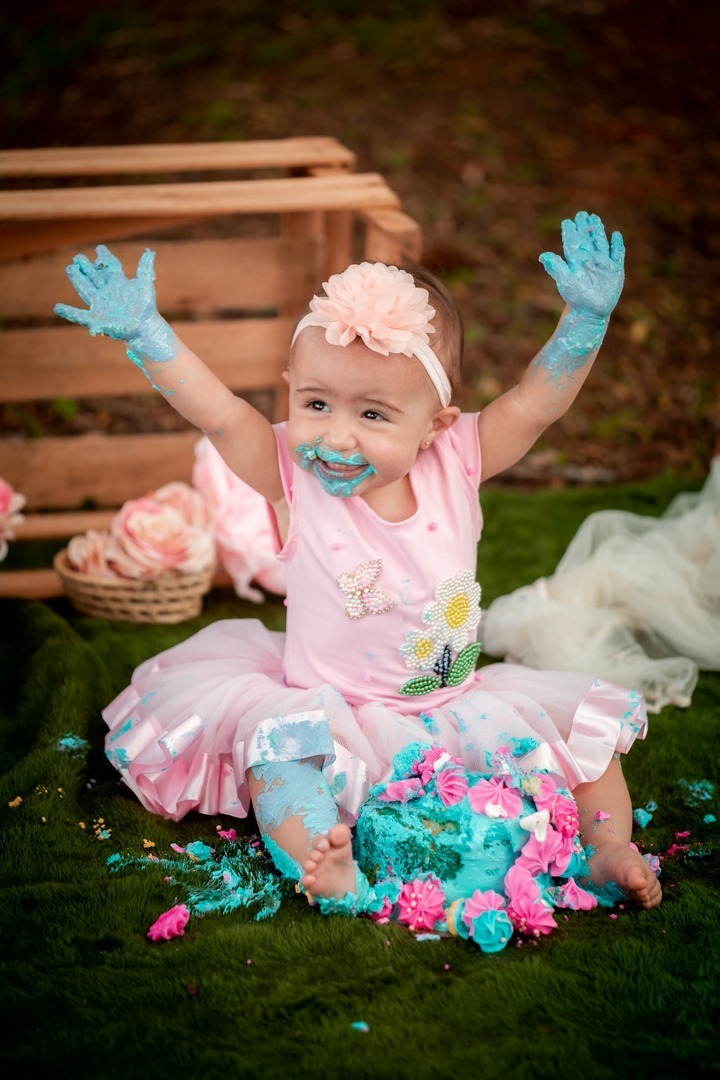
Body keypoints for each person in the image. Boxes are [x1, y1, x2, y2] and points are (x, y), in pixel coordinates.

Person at [55, 211, 662, 915]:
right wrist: (148, 336)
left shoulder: (460, 460)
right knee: (277, 767)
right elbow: (219, 413)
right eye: (315, 403)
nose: (335, 437)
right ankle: (325, 859)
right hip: (327, 710)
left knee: (586, 746)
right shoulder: (289, 473)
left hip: (455, 703)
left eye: (373, 415)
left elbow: (535, 405)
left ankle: (603, 848)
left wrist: (584, 321)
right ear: (289, 390)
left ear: (436, 425)